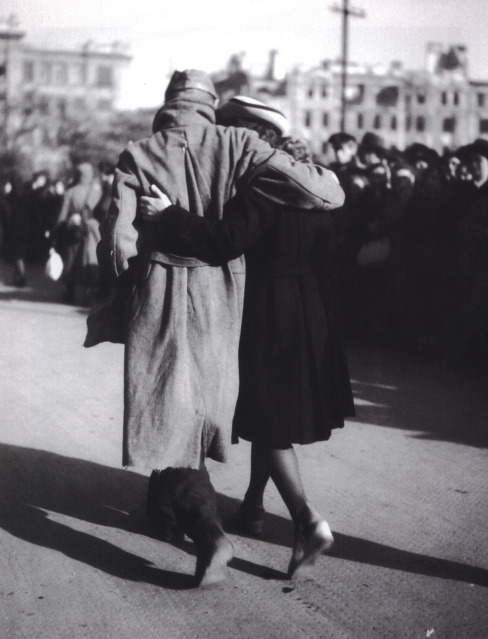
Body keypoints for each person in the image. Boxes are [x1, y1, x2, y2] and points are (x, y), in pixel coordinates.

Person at [94, 72, 345, 586]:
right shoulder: (240, 145)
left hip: (159, 291)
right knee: (207, 406)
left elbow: (116, 245)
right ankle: (192, 517)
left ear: (169, 103)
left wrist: (126, 275)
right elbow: (325, 193)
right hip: (223, 296)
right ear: (210, 106)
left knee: (167, 406)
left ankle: (205, 530)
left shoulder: (136, 153)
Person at [55, 162, 102, 304]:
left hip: (73, 230)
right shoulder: (97, 191)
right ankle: (89, 294)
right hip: (92, 230)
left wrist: (56, 232)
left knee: (71, 260)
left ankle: (69, 293)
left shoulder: (70, 192)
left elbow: (62, 216)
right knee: (88, 260)